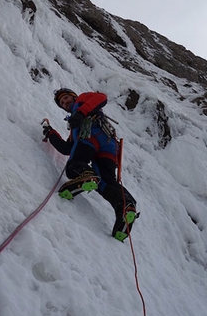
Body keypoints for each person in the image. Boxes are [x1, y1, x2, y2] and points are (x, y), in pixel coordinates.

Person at [42, 88, 137, 241]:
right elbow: (67, 148)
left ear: (73, 96)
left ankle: (87, 175)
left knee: (74, 167)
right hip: (108, 145)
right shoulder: (74, 124)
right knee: (105, 182)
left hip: (91, 136)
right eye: (62, 102)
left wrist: (80, 113)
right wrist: (51, 133)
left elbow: (101, 97)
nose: (65, 102)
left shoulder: (83, 99)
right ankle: (126, 206)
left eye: (66, 98)